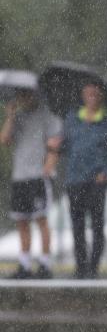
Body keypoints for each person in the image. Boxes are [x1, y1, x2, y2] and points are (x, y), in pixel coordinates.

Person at [62, 82, 107, 279]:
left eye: (95, 94)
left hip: (96, 183)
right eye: (88, 94)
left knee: (97, 226)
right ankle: (80, 268)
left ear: (101, 98)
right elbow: (66, 146)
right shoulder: (72, 119)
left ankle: (93, 268)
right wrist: (56, 146)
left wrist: (106, 173)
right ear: (83, 95)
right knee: (77, 227)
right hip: (75, 181)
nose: (92, 98)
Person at [0, 89, 63, 278]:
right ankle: (24, 264)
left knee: (41, 220)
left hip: (38, 177)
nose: (24, 99)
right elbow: (4, 139)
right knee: (22, 221)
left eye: (26, 95)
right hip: (20, 177)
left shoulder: (47, 116)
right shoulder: (18, 118)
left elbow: (55, 144)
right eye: (21, 96)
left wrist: (49, 166)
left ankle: (45, 264)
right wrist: (10, 116)